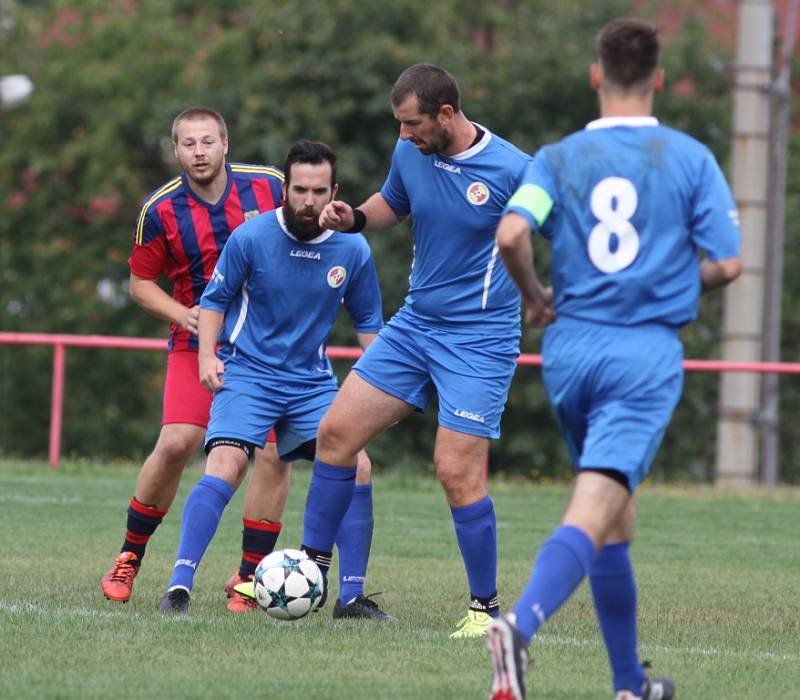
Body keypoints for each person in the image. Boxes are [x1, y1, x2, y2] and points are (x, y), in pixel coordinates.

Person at [485, 18, 742, 700]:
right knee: (595, 505)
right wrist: (676, 282)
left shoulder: (558, 158)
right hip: (642, 352)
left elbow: (512, 233)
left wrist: (537, 297)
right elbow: (730, 263)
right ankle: (518, 627)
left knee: (614, 515)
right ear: (658, 78)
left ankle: (631, 684)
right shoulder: (688, 158)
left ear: (596, 76)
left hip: (570, 350)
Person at [301, 63, 531, 638]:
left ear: (446, 114)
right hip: (416, 326)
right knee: (335, 435)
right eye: (399, 125)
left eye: (412, 125)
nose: (403, 135)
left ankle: (485, 609)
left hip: (480, 339)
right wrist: (352, 217)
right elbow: (392, 204)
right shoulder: (411, 152)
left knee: (455, 471)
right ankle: (309, 573)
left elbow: (561, 232)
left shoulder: (512, 169)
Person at [158, 139, 391, 622]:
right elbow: (215, 302)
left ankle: (351, 597)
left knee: (359, 467)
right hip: (248, 372)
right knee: (225, 465)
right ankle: (179, 585)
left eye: (319, 191)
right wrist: (206, 357)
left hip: (311, 383)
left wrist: (381, 391)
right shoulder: (252, 236)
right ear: (285, 188)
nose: (309, 200)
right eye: (301, 189)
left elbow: (371, 328)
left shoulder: (353, 247)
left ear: (335, 192)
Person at [101, 106, 294, 614]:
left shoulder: (270, 187)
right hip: (197, 344)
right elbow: (140, 285)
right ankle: (130, 554)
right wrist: (184, 315)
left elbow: (312, 233)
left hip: (268, 347)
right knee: (177, 442)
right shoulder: (160, 210)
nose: (199, 151)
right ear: (177, 150)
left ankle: (250, 577)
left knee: (275, 453)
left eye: (208, 141)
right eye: (188, 143)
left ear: (226, 144)